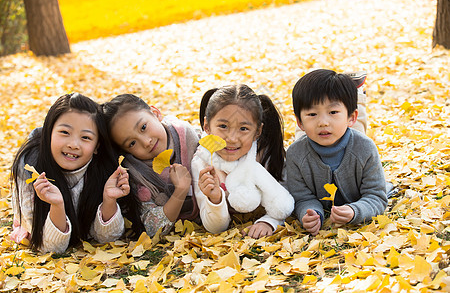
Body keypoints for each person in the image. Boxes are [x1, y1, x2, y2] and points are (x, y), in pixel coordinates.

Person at [11, 93, 131, 254]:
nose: (73, 144)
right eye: (65, 133)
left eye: (86, 137)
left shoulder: (105, 171)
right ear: (49, 133)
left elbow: (108, 238)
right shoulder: (29, 172)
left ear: (96, 147)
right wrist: (57, 206)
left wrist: (109, 200)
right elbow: (52, 248)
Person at [285, 69, 388, 236]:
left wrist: (355, 210)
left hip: (352, 138)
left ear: (350, 117)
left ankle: (358, 93)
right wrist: (310, 213)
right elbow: (302, 197)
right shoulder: (295, 155)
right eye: (312, 114)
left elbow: (376, 197)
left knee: (358, 131)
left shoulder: (365, 149)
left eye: (333, 112)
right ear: (300, 122)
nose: (323, 122)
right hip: (307, 143)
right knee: (303, 143)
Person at [192, 84, 294, 239]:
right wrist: (215, 199)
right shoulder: (202, 163)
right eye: (223, 126)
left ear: (257, 132)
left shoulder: (263, 154)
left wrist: (269, 221)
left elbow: (283, 199)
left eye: (243, 129)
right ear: (207, 126)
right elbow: (214, 228)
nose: (232, 138)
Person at [102, 94, 200, 237]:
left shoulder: (188, 136)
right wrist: (180, 192)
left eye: (143, 127)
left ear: (155, 113)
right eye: (132, 143)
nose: (146, 141)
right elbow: (152, 228)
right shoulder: (136, 175)